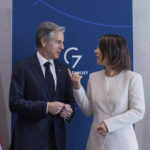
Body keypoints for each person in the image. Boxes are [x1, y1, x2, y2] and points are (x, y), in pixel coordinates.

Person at [68, 34, 145, 150]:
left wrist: (109, 124)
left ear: (111, 51)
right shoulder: (93, 77)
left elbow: (138, 111)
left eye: (99, 48)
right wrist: (77, 87)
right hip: (96, 142)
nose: (95, 51)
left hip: (122, 143)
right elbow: (88, 110)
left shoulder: (132, 78)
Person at [9, 21, 75, 150]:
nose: (62, 47)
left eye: (62, 42)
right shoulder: (22, 67)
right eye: (58, 42)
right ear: (44, 42)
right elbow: (14, 103)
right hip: (29, 143)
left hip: (56, 143)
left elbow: (70, 101)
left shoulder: (64, 69)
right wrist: (46, 107)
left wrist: (68, 111)